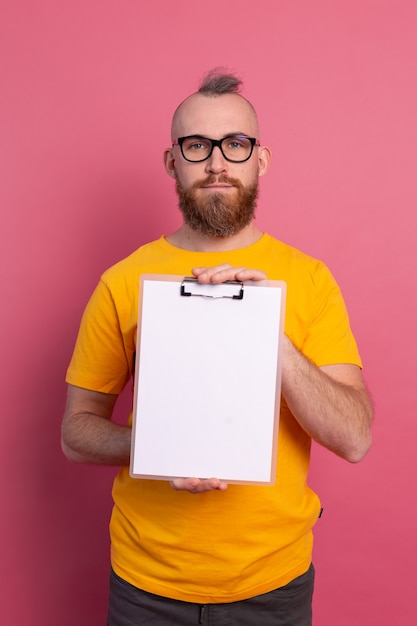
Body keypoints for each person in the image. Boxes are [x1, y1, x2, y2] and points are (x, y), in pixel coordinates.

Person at [62, 68, 373, 626]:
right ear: (171, 162)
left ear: (261, 159)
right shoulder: (122, 281)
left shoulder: (310, 280)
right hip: (145, 585)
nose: (216, 162)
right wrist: (161, 447)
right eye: (196, 145)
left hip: (272, 585)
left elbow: (353, 438)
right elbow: (76, 433)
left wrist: (266, 334)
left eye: (235, 143)